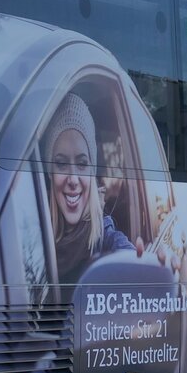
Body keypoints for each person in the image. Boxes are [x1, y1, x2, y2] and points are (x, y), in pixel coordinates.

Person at [42, 92, 135, 286]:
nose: (73, 179)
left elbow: (134, 265)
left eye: (82, 164)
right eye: (61, 164)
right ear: (50, 172)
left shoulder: (108, 240)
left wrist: (153, 268)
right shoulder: (35, 236)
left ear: (92, 172)